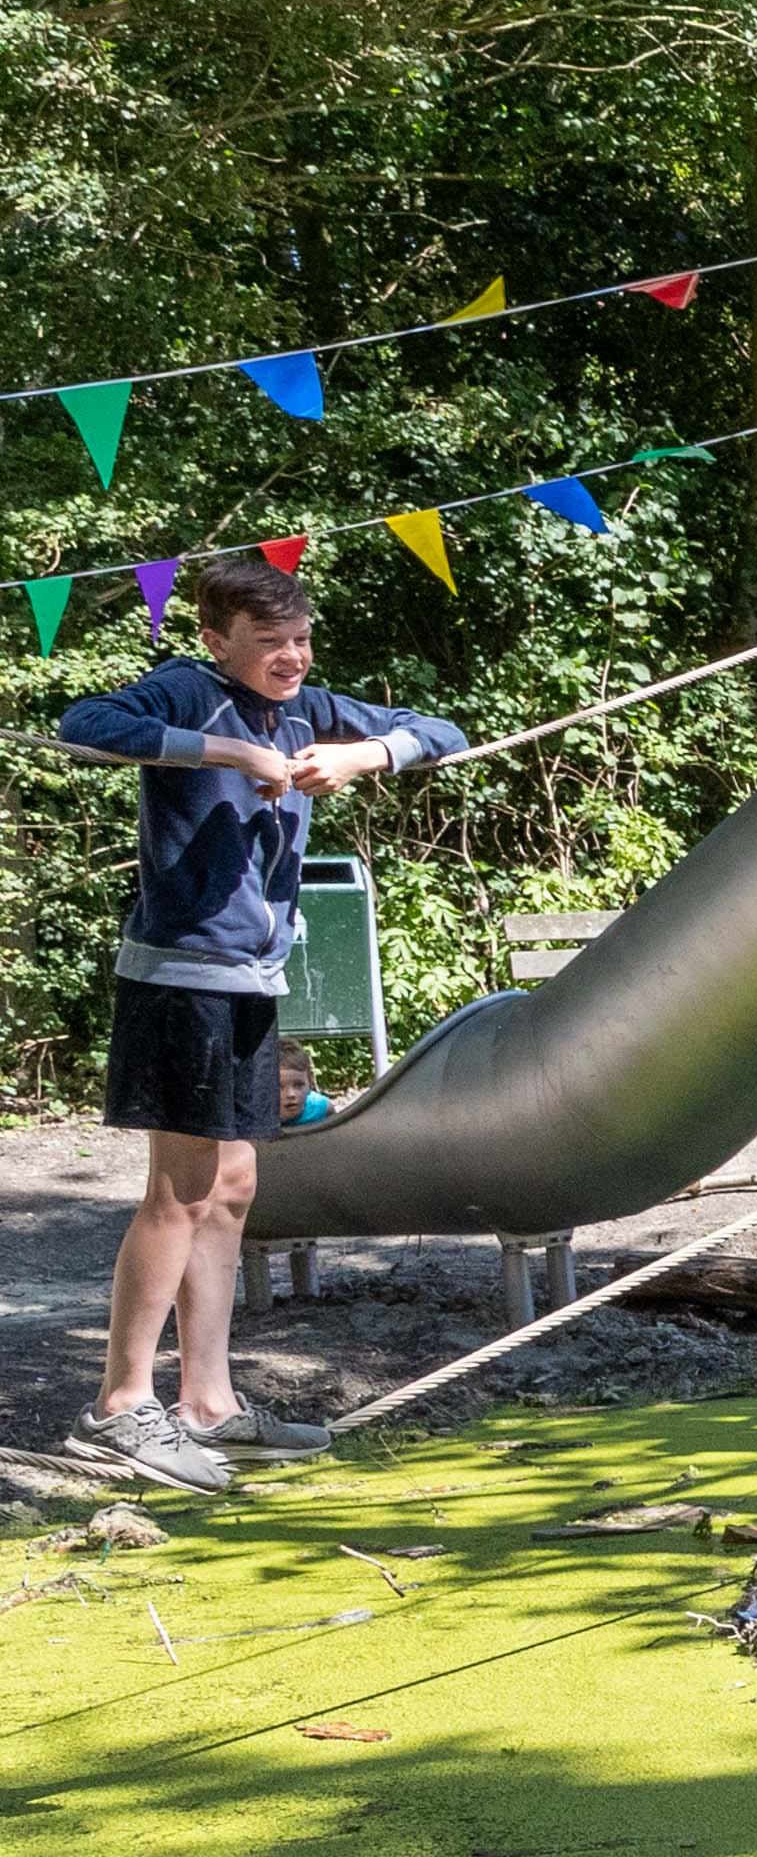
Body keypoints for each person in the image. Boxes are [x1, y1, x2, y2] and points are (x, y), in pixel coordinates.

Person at [50, 550, 468, 1494]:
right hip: (180, 977)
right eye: (270, 643)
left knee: (235, 1180)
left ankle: (209, 1404)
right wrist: (229, 753)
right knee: (183, 1186)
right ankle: (120, 1408)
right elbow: (83, 724)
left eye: (302, 639)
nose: (292, 658)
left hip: (251, 979)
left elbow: (440, 728)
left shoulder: (309, 707)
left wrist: (366, 754)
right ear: (215, 641)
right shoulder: (188, 691)